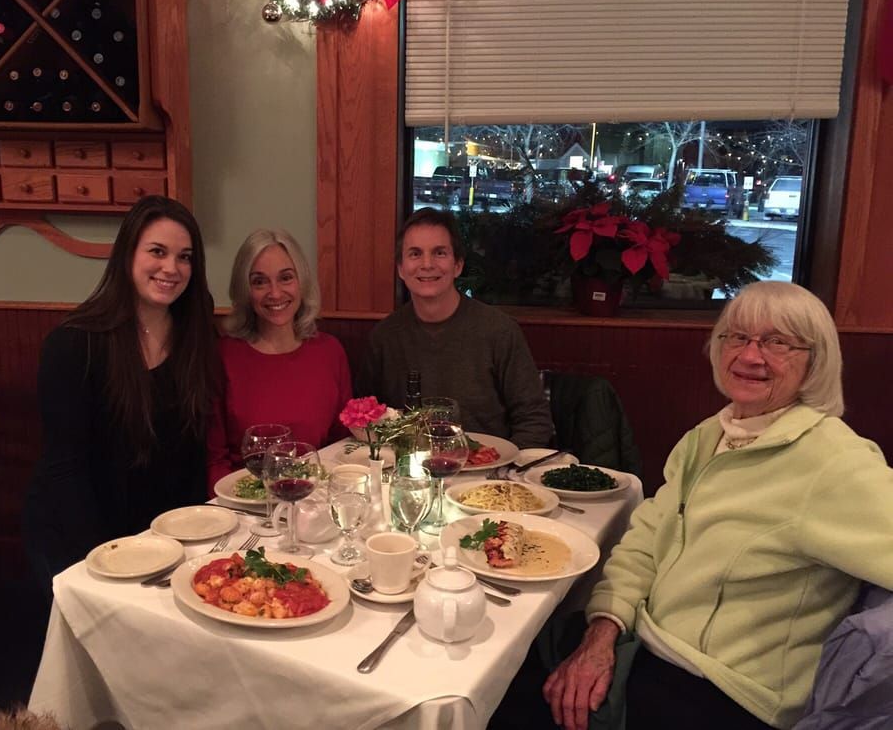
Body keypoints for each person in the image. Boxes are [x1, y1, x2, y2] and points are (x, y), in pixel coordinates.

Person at [499, 281, 893, 730]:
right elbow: (645, 541)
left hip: (724, 689)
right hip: (650, 641)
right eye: (737, 336)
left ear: (815, 362)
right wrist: (604, 628)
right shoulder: (709, 438)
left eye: (778, 342)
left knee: (508, 711)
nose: (749, 356)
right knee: (506, 660)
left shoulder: (833, 462)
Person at [24, 196, 221, 593]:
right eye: (157, 252)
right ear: (127, 254)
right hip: (79, 533)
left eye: (184, 257)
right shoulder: (74, 344)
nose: (172, 268)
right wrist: (102, 559)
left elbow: (191, 452)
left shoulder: (195, 337)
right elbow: (66, 471)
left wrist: (195, 545)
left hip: (158, 537)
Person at [356, 207, 552, 448]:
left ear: (458, 265)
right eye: (415, 254)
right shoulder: (384, 338)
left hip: (488, 473)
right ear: (400, 269)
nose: (427, 264)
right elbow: (367, 420)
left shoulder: (499, 331)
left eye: (439, 253)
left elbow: (534, 420)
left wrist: (504, 473)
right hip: (409, 474)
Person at [205, 229, 352, 491]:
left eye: (286, 278)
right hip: (243, 508)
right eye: (259, 282)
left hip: (314, 500)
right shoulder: (223, 355)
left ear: (301, 282)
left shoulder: (330, 352)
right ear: (245, 290)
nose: (275, 293)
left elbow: (341, 446)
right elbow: (214, 460)